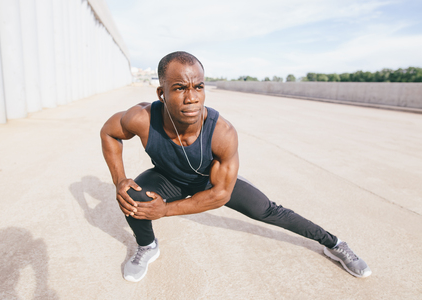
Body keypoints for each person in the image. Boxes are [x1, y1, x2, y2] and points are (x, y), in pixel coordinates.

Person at [100, 51, 372, 282]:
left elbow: (220, 195)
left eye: (199, 87)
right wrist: (119, 179)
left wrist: (165, 210)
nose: (192, 97)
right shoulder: (142, 118)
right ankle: (147, 246)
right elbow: (109, 133)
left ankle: (334, 244)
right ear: (162, 93)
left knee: (268, 210)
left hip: (210, 181)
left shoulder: (221, 132)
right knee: (131, 195)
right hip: (167, 177)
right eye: (180, 88)